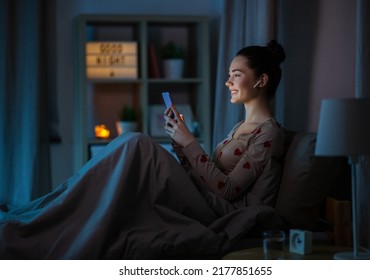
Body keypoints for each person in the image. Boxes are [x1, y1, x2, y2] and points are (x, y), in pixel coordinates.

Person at [0, 40, 286, 260]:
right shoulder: (237, 128)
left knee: (136, 143)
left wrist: (189, 143)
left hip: (220, 212)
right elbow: (203, 175)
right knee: (133, 144)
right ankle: (50, 209)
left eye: (236, 75)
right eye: (229, 75)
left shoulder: (270, 132)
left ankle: (50, 214)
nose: (228, 83)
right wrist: (179, 143)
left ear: (261, 81)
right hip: (202, 196)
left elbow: (227, 190)